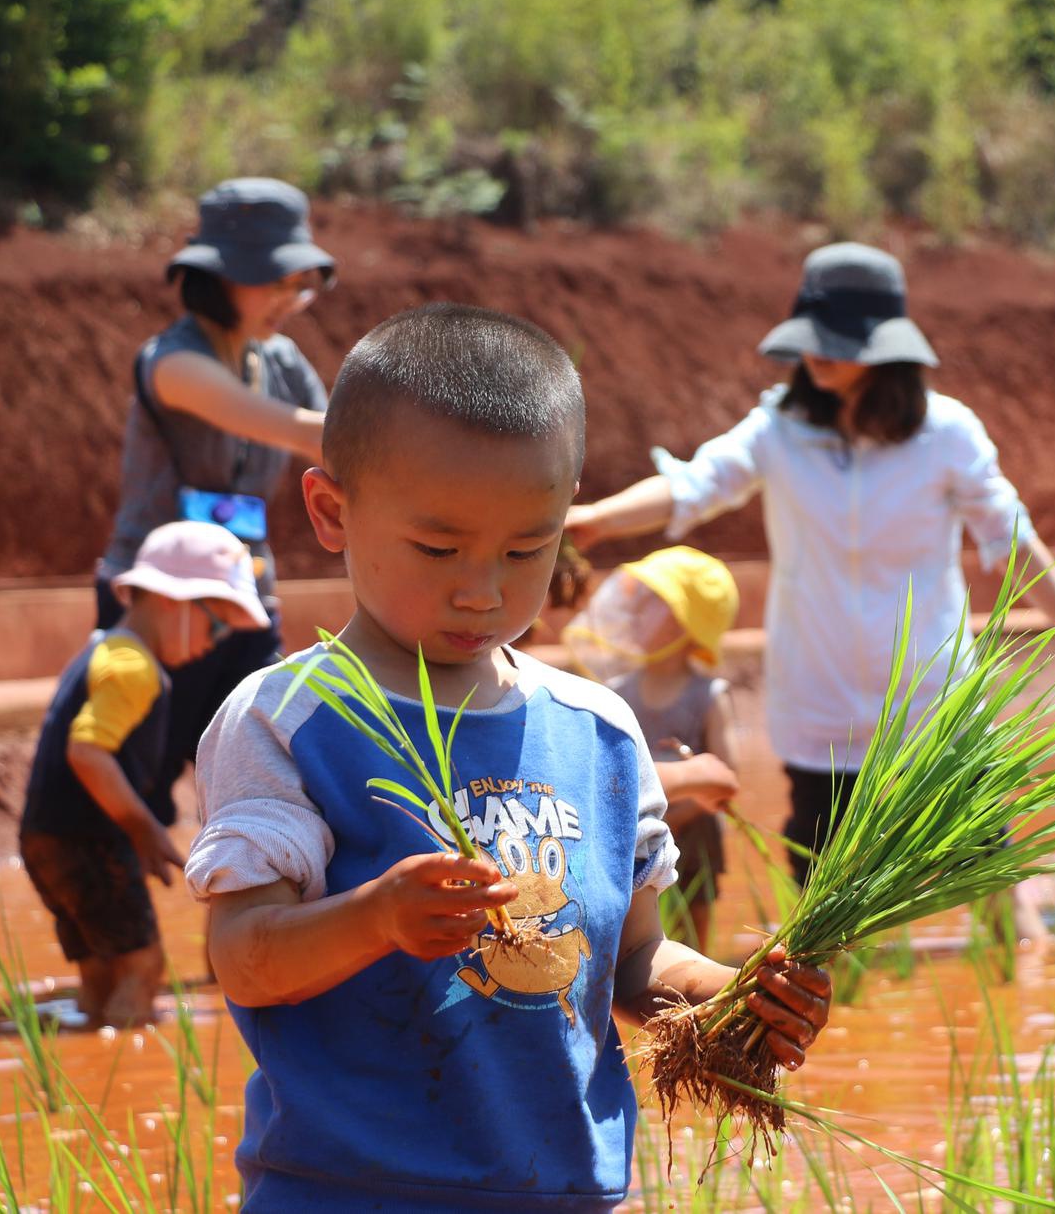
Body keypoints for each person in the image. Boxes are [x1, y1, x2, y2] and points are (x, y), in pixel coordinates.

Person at [186, 303, 830, 1210]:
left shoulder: (599, 731)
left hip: (568, 1189)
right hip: (348, 1191)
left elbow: (635, 958)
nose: (482, 589)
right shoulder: (289, 719)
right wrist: (376, 917)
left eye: (528, 548)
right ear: (333, 511)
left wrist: (735, 998)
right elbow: (245, 958)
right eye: (438, 546)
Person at [564, 243, 1055, 907]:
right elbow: (695, 484)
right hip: (819, 699)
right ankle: (841, 1005)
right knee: (823, 886)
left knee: (981, 861)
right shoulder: (779, 429)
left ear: (885, 348)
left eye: (837, 339)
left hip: (929, 696)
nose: (816, 353)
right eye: (812, 338)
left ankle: (1012, 973)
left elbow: (1014, 538)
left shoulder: (947, 435)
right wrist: (596, 517)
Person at [97, 178, 336, 824]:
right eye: (275, 282)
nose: (290, 300)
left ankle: (244, 918)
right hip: (155, 602)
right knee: (137, 783)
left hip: (248, 594)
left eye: (299, 286)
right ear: (219, 279)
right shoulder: (172, 362)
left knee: (257, 779)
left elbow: (333, 433)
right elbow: (295, 427)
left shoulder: (281, 360)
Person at [21, 522, 269, 1028]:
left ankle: (88, 1045)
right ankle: (118, 1076)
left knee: (101, 966)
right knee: (142, 965)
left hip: (45, 839)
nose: (213, 645)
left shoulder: (106, 649)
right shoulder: (133, 666)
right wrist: (142, 828)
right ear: (174, 602)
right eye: (216, 626)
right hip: (91, 839)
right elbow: (88, 754)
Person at [569, 547, 744, 951]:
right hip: (631, 836)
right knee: (635, 937)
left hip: (694, 835)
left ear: (686, 622)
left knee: (693, 931)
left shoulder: (709, 695)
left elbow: (726, 776)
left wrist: (674, 815)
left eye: (652, 603)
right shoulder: (616, 694)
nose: (634, 610)